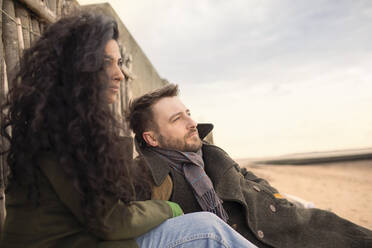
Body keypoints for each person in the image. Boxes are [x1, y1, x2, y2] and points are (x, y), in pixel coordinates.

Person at [0, 12, 259, 248]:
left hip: (82, 239)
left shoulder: (64, 123)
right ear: (76, 68)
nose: (119, 74)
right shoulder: (63, 131)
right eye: (106, 63)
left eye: (119, 62)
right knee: (208, 229)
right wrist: (168, 208)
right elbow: (111, 221)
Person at [126, 83, 372, 248]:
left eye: (188, 113)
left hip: (281, 223)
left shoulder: (207, 154)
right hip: (249, 239)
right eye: (177, 119)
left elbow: (245, 176)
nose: (192, 122)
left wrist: (274, 196)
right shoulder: (144, 174)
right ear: (152, 138)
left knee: (340, 229)